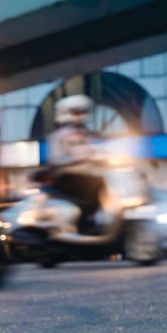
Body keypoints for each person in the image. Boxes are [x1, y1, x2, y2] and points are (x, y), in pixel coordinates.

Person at [46, 94, 104, 233]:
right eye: (78, 112)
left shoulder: (85, 134)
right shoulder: (59, 136)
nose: (82, 116)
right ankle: (85, 222)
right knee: (95, 185)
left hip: (86, 176)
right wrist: (78, 159)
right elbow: (55, 160)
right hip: (69, 179)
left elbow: (96, 150)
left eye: (84, 112)